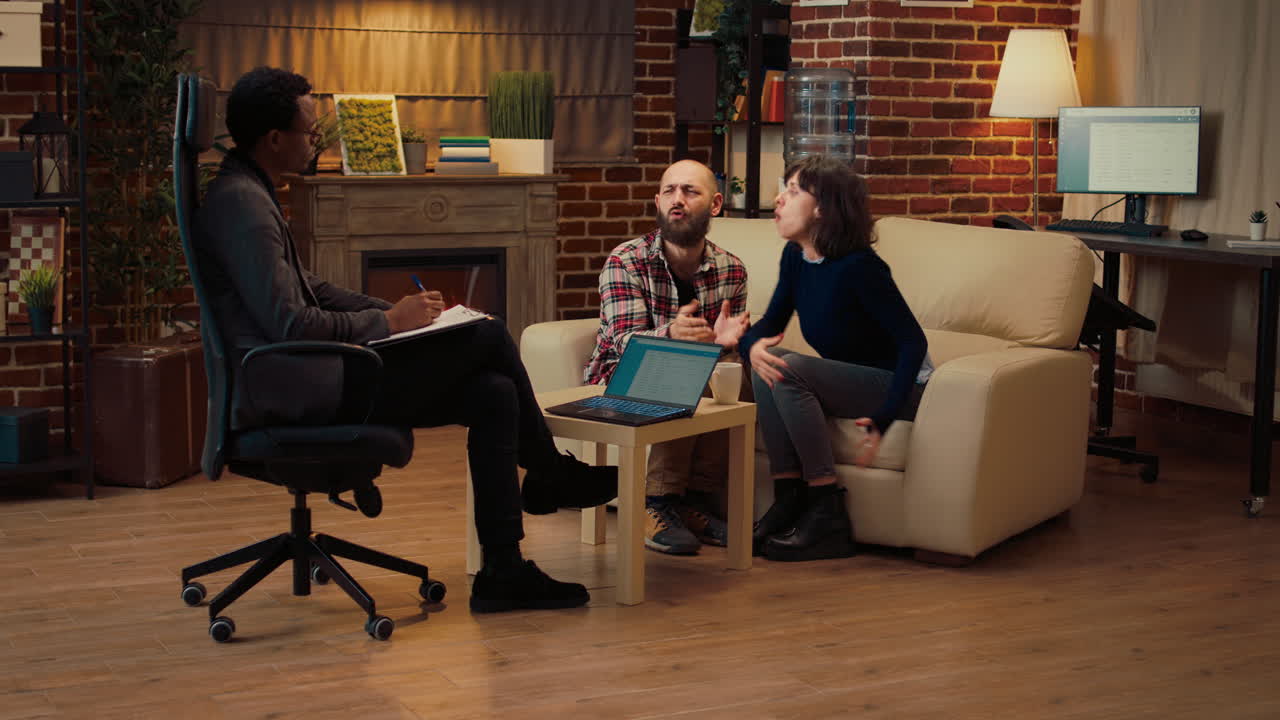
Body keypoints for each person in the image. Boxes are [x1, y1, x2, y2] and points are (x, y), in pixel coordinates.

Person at [195, 66, 617, 613]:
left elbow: (309, 288)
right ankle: (550, 474)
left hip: (305, 374)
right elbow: (293, 325)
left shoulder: (247, 190)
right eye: (307, 129)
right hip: (300, 385)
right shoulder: (245, 207)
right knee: (487, 335)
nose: (314, 138)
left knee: (494, 394)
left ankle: (502, 572)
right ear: (275, 139)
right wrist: (390, 324)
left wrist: (394, 311)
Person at [739, 156, 931, 563]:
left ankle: (827, 510)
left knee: (787, 368)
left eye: (792, 191)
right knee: (768, 363)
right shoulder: (796, 257)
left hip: (906, 386)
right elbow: (769, 323)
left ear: (822, 208)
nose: (778, 199)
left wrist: (885, 417)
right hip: (854, 381)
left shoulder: (860, 268)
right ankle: (789, 497)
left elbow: (912, 343)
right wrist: (749, 347)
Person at [584, 159, 751, 555]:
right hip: (617, 374)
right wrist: (671, 335)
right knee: (678, 361)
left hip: (694, 370)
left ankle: (694, 501)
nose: (678, 200)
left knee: (735, 370)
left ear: (714, 205)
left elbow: (723, 346)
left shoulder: (732, 270)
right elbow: (623, 339)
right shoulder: (625, 261)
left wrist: (726, 345)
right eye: (670, 191)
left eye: (690, 192)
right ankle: (656, 503)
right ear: (658, 201)